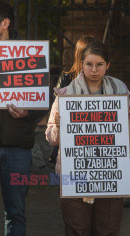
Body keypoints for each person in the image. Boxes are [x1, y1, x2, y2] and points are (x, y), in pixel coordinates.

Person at [0, 0, 47, 236]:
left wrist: (28, 113)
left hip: (18, 149)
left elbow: (43, 101)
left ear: (5, 23)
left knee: (15, 213)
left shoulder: (30, 54)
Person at [46, 40, 130, 236]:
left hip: (111, 174)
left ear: (108, 65)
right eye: (89, 64)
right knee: (77, 230)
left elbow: (128, 141)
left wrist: (128, 123)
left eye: (99, 65)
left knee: (108, 230)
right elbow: (51, 138)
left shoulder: (120, 90)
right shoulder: (66, 94)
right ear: (82, 64)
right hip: (74, 175)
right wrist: (59, 127)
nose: (94, 69)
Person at [48, 35, 96, 164]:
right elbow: (56, 106)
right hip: (71, 137)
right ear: (80, 55)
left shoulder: (104, 80)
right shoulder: (66, 78)